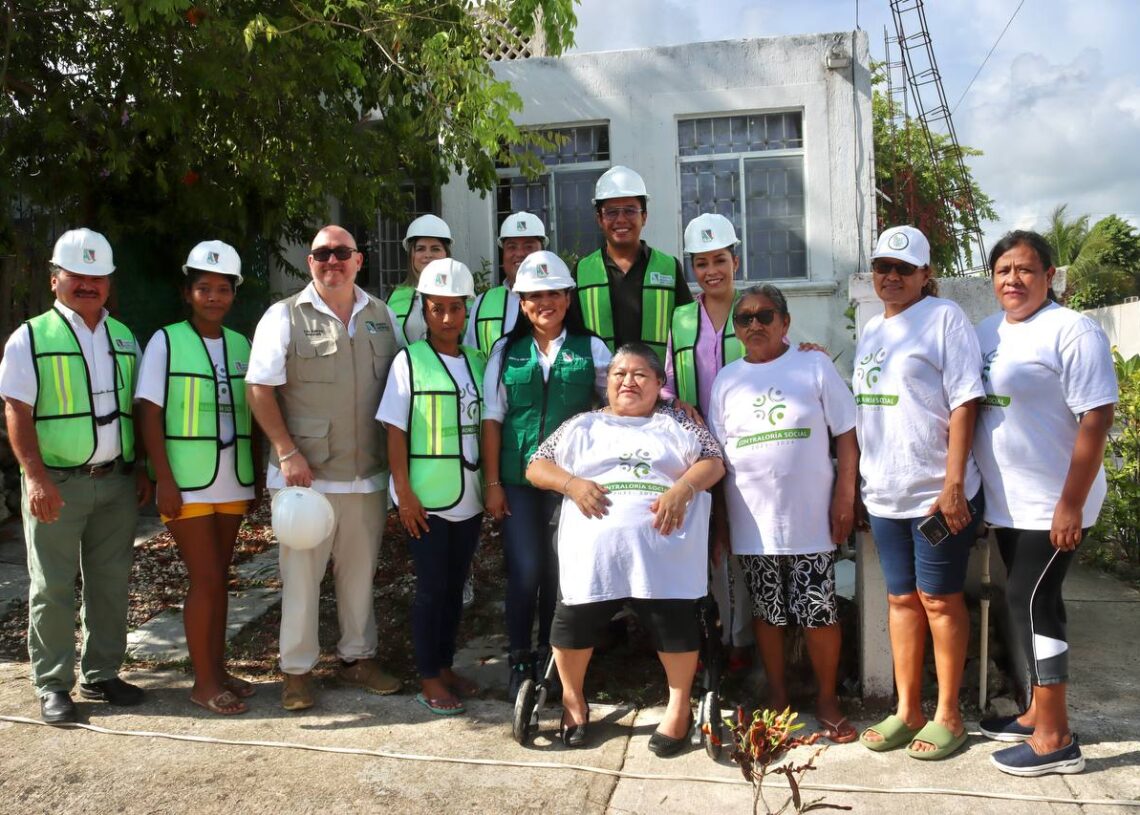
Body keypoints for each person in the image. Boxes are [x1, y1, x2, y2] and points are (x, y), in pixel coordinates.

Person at [527, 342, 725, 755]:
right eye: (619, 374)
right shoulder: (582, 425)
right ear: (608, 382)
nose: (628, 381)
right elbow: (537, 466)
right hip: (593, 553)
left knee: (674, 619)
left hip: (663, 551)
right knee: (573, 619)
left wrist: (683, 488)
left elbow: (714, 461)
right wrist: (572, 484)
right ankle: (573, 702)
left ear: (659, 383)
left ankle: (677, 709)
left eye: (639, 374)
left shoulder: (678, 423)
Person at [973, 231, 1116, 777]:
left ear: (1049, 276)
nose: (1013, 279)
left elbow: (1096, 417)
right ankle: (1037, 712)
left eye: (1026, 269)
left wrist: (1070, 504)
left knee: (1030, 602)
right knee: (1036, 601)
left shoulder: (1071, 330)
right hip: (1011, 503)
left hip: (1055, 501)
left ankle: (1055, 739)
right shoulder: (987, 331)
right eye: (1003, 270)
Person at [246, 225, 403, 711]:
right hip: (305, 479)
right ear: (310, 262)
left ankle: (358, 658)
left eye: (341, 253)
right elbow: (259, 387)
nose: (331, 261)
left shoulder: (382, 316)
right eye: (321, 254)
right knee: (300, 580)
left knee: (359, 576)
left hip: (367, 475)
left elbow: (400, 387)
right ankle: (296, 671)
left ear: (358, 260)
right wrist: (286, 451)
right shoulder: (284, 315)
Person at [0, 228, 151, 724]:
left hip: (116, 481)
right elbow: (16, 409)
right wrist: (35, 478)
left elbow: (138, 409)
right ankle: (53, 684)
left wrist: (141, 468)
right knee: (53, 587)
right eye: (77, 275)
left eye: (97, 277)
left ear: (109, 283)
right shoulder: (30, 337)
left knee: (111, 582)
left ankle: (102, 673)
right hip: (57, 485)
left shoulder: (124, 336)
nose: (88, 284)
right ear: (54, 279)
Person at [854, 225, 986, 761]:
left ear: (925, 274)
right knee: (900, 599)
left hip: (936, 493)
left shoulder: (944, 317)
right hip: (886, 492)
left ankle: (949, 714)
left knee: (939, 599)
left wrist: (953, 484)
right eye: (883, 266)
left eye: (903, 268)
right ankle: (907, 709)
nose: (891, 276)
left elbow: (965, 401)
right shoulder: (871, 327)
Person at [707, 285, 858, 743]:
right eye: (744, 318)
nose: (754, 324)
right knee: (768, 612)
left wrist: (845, 496)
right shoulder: (727, 380)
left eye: (765, 315)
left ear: (785, 322)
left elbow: (846, 433)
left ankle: (827, 700)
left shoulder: (813, 365)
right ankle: (777, 698)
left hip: (810, 520)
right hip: (752, 522)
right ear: (736, 329)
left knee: (819, 612)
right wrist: (721, 522)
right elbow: (717, 457)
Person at [135, 241, 259, 715]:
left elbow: (252, 415)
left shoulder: (242, 345)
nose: (213, 297)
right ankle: (203, 683)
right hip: (186, 482)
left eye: (223, 289)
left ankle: (218, 670)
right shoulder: (166, 341)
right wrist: (162, 478)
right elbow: (149, 413)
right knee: (205, 579)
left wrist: (254, 478)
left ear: (233, 295)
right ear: (187, 293)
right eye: (204, 288)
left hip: (232, 479)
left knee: (219, 579)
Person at [480, 251, 611, 698]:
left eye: (553, 293)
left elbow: (614, 405)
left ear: (568, 298)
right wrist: (492, 484)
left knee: (561, 572)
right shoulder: (505, 352)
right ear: (521, 303)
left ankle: (554, 660)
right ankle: (519, 659)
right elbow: (493, 420)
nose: (544, 303)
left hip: (568, 484)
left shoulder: (592, 348)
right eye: (534, 296)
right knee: (526, 571)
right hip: (518, 482)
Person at [378, 258, 486, 716]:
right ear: (424, 309)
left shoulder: (477, 361)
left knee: (455, 586)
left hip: (470, 495)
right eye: (437, 308)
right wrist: (404, 493)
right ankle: (428, 676)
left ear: (466, 310)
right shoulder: (409, 361)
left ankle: (444, 666)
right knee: (431, 588)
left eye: (455, 308)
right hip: (426, 500)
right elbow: (395, 429)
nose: (446, 318)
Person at [663, 213, 753, 670]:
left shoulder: (753, 309)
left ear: (735, 261)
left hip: (748, 448)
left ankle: (744, 640)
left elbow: (780, 356)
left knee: (741, 542)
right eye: (701, 262)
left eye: (719, 259)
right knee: (703, 544)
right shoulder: (681, 318)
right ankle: (709, 637)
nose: (711, 270)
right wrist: (676, 402)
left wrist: (808, 351)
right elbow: (665, 381)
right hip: (696, 451)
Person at [573, 166, 693, 359]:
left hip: (656, 377)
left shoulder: (668, 268)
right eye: (611, 212)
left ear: (644, 217)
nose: (621, 220)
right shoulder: (582, 271)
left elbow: (687, 329)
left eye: (630, 210)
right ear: (599, 219)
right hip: (601, 377)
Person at [465, 212, 547, 357]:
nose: (519, 253)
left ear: (543, 251)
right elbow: (472, 356)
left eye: (528, 246)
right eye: (512, 247)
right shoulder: (483, 302)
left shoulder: (558, 300)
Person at [387, 214, 452, 345]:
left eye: (435, 249)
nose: (428, 255)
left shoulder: (464, 294)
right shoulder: (395, 297)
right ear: (411, 255)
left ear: (446, 254)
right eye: (420, 249)